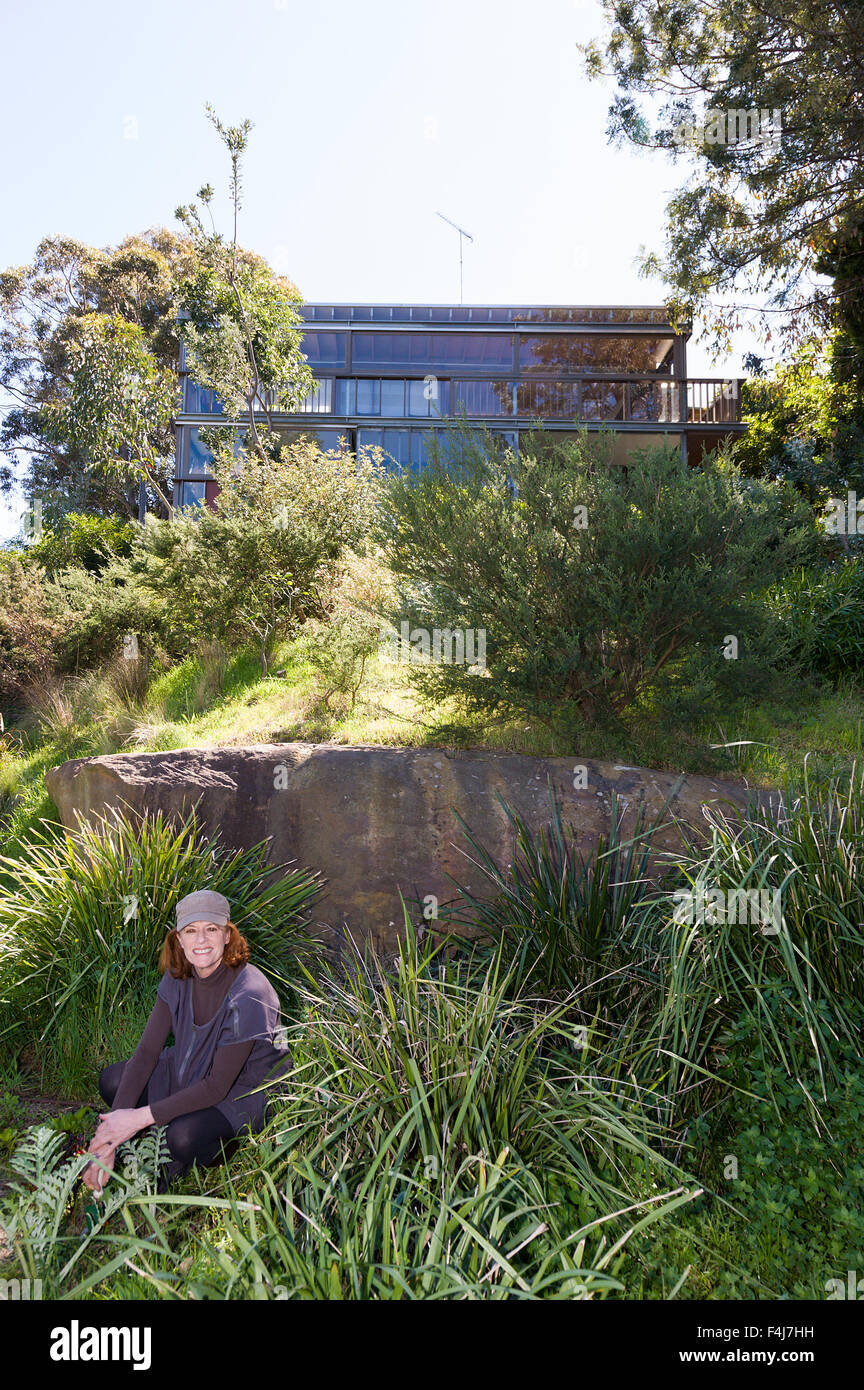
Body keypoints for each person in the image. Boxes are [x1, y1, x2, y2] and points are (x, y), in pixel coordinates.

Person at [82, 889, 292, 1195]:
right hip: (192, 1062)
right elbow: (146, 1054)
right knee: (114, 1080)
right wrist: (108, 1137)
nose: (201, 941)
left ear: (227, 936)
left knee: (181, 1137)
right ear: (179, 939)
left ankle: (217, 1146)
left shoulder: (249, 993)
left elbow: (217, 1086)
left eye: (211, 929)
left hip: (246, 1088)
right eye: (191, 931)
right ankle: (147, 1136)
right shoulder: (178, 975)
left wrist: (137, 1119)